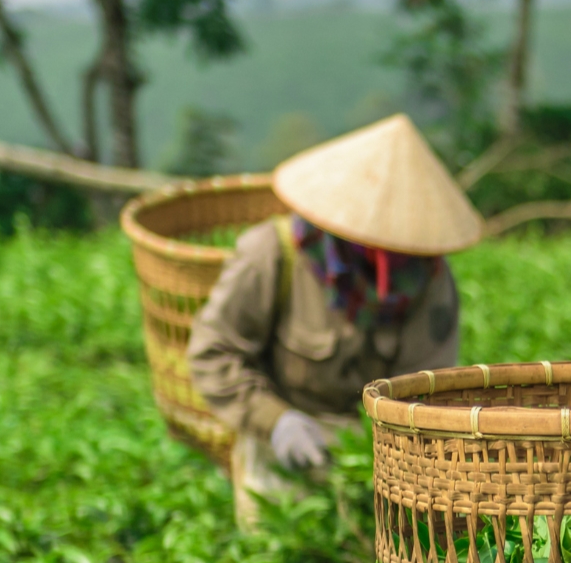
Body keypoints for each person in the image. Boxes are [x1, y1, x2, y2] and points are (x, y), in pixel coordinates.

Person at [188, 112, 482, 531]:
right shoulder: (272, 255)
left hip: (381, 458)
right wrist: (277, 422)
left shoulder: (427, 282)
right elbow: (212, 354)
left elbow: (429, 390)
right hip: (283, 443)